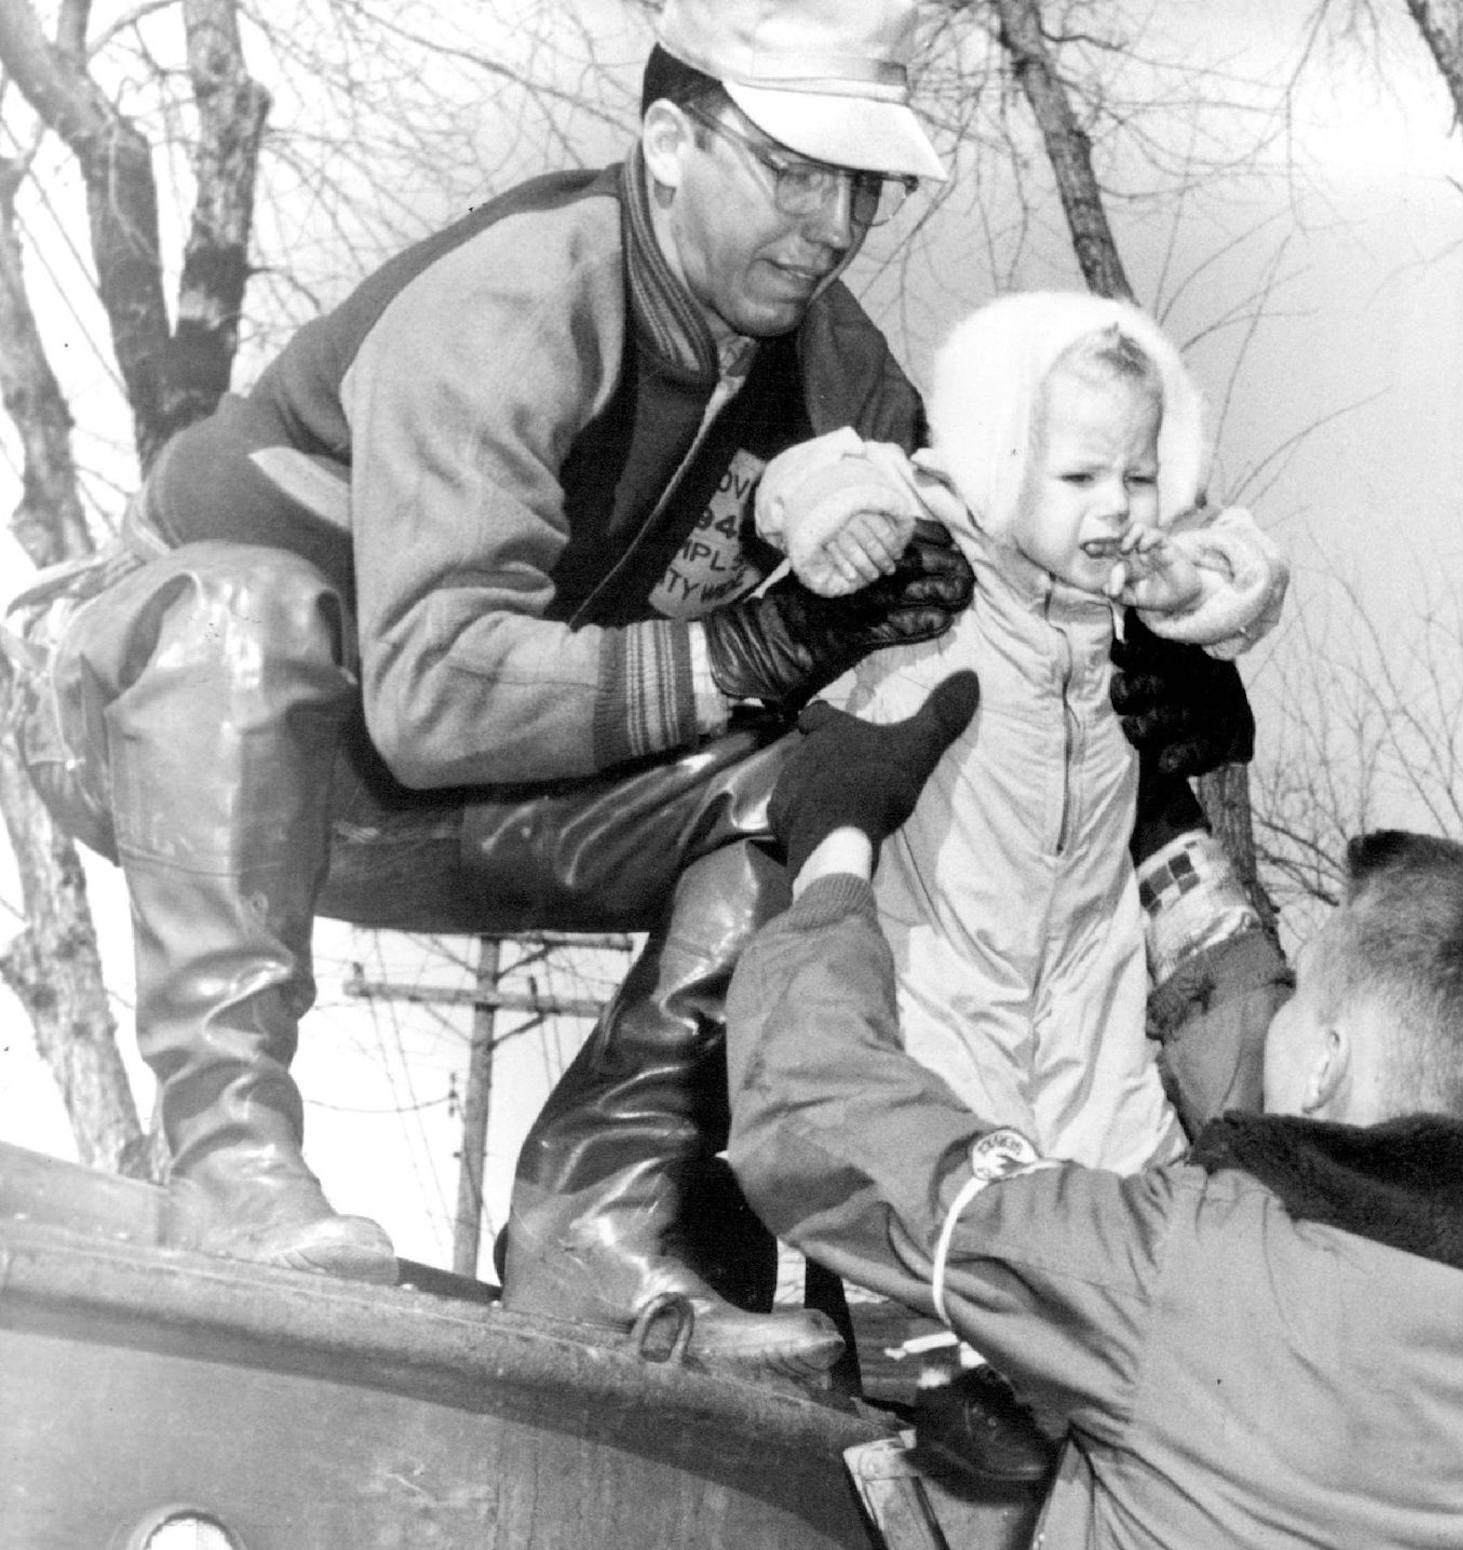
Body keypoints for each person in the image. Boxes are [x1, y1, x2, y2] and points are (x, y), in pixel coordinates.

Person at [3, 0, 1250, 1382]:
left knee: (806, 788)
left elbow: (999, 553)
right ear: (667, 140)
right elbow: (428, 692)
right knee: (243, 616)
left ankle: (601, 1229)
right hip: (169, 719)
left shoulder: (833, 365)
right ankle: (230, 1161)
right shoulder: (522, 296)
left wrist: (1149, 679)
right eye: (793, 171)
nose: (833, 224)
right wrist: (730, 656)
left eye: (864, 190)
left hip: (455, 792)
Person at [724, 674, 1463, 1548]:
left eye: (1303, 997)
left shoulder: (1171, 1273)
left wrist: (836, 849)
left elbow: (818, 1114)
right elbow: (1296, 1145)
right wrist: (1166, 832)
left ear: (1324, 1062)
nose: (1278, 1012)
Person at [754, 291, 1287, 1176]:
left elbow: (1248, 564)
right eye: (1080, 479)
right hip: (943, 940)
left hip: (1088, 955)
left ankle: (1125, 1284)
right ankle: (931, 1286)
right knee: (956, 1143)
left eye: (1140, 475)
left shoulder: (1126, 590)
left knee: (1122, 1162)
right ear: (1000, 460)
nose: (1117, 507)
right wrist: (839, 518)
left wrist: (1185, 581)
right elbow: (818, 473)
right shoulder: (940, 530)